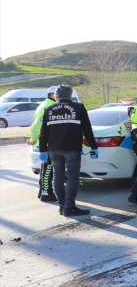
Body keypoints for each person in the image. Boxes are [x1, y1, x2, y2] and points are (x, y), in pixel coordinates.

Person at [38, 85, 98, 216]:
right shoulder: (79, 108)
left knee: (58, 176)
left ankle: (61, 205)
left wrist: (43, 150)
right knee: (72, 177)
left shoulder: (49, 109)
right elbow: (87, 130)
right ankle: (69, 206)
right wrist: (94, 147)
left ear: (56, 95)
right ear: (70, 95)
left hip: (54, 149)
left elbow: (43, 133)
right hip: (72, 148)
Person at [27, 86, 57, 202]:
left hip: (46, 142)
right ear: (51, 95)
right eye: (57, 94)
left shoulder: (46, 105)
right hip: (47, 143)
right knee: (48, 169)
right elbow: (35, 127)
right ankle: (46, 193)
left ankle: (43, 191)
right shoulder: (48, 107)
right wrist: (33, 139)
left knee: (45, 168)